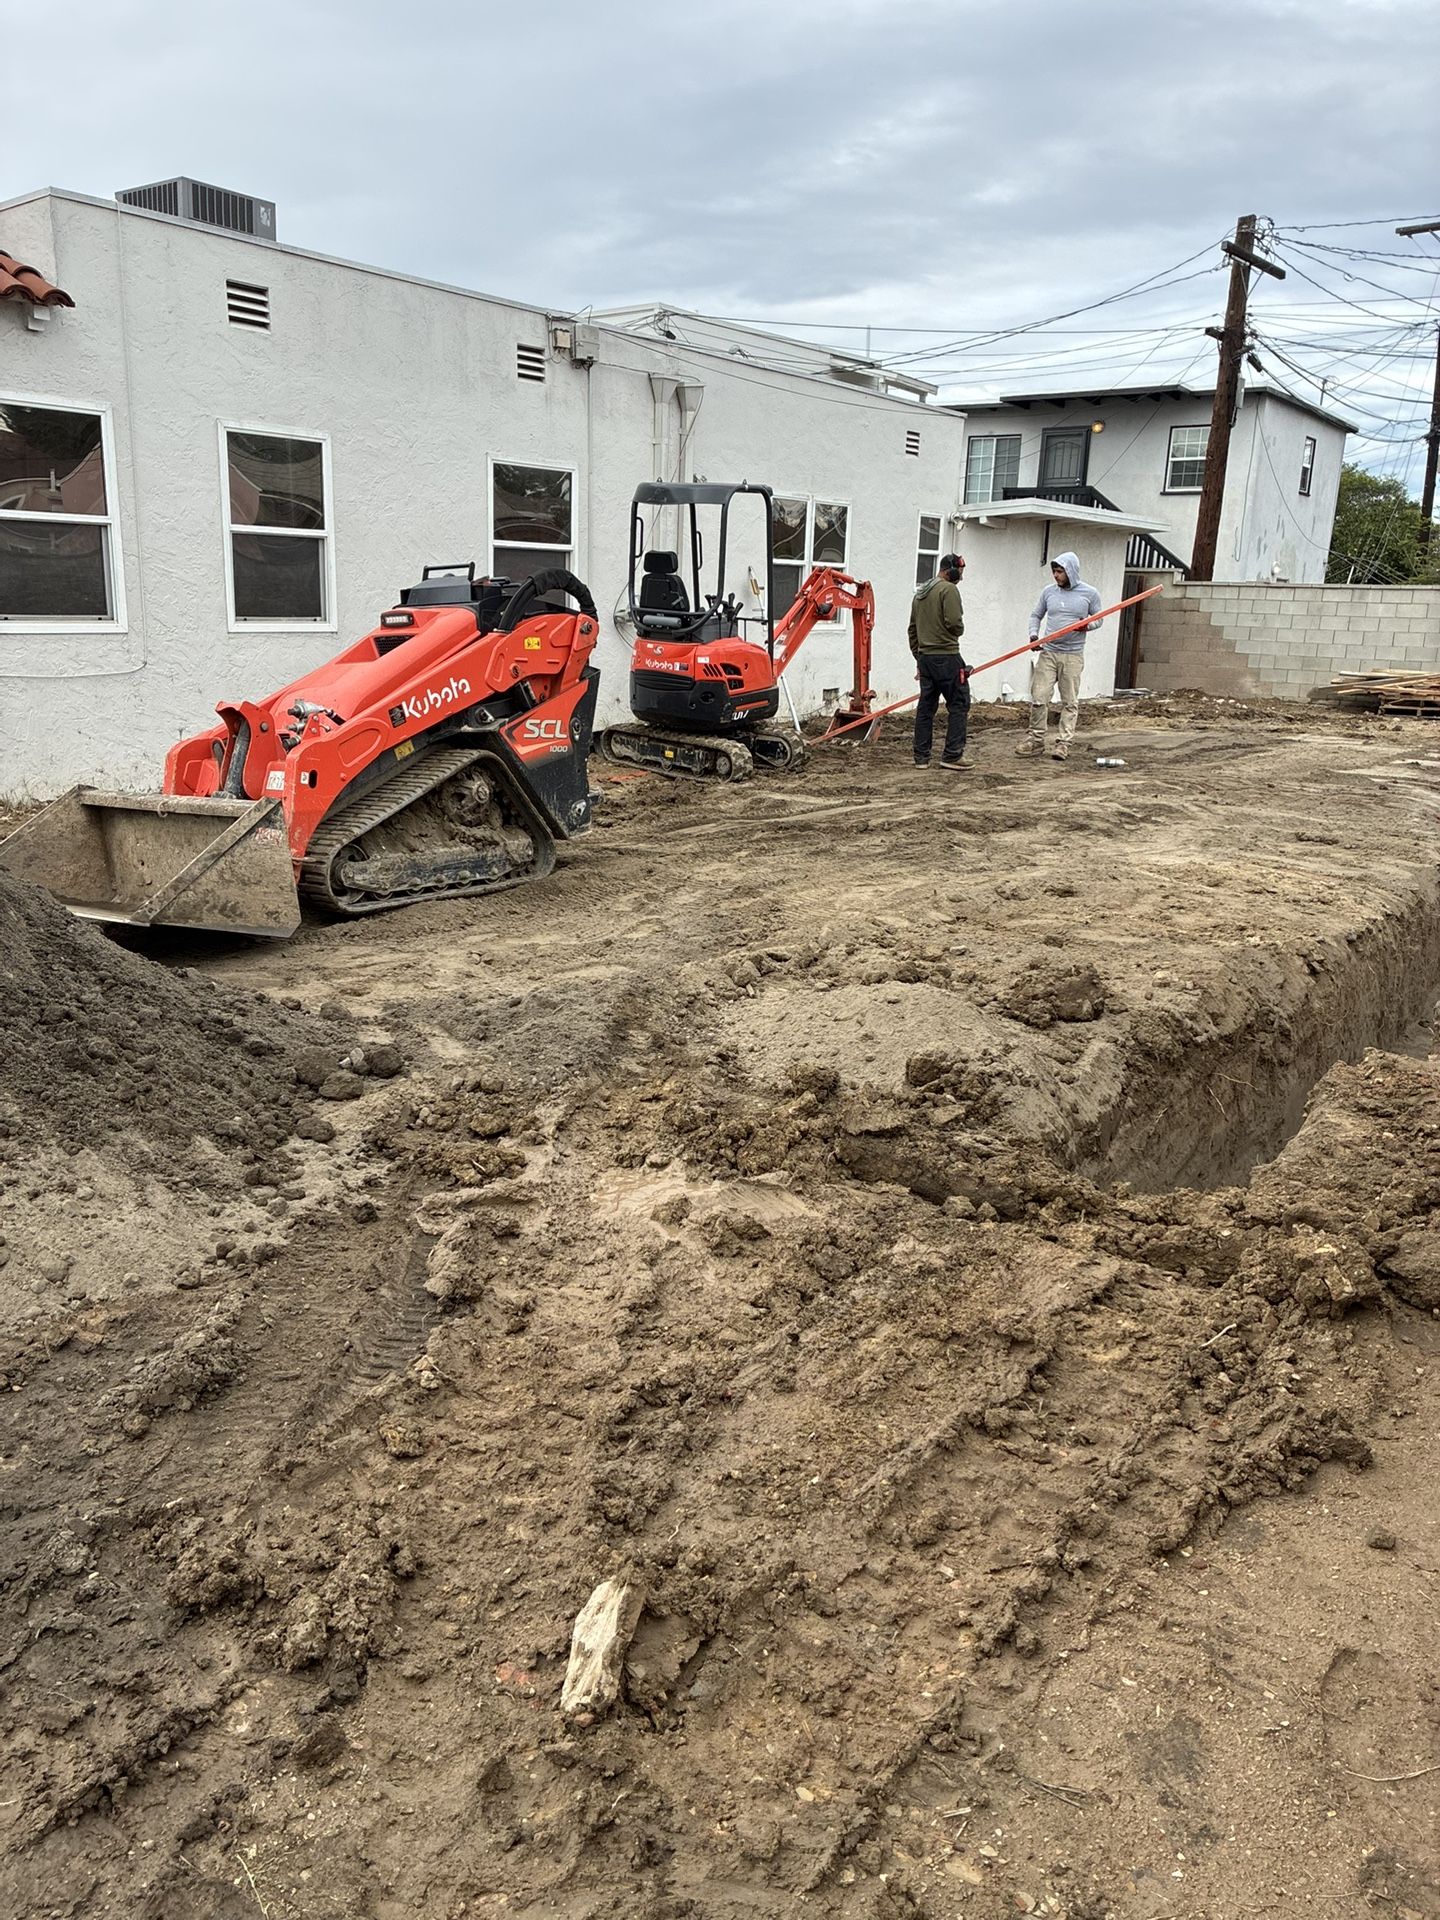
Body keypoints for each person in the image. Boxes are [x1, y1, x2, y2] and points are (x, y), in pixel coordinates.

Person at [1018, 551, 1102, 761]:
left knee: (1069, 701)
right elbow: (1036, 615)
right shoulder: (1049, 592)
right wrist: (1034, 635)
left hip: (1073, 656)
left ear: (1070, 571)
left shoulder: (1090, 593)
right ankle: (1036, 740)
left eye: (1059, 572)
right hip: (1049, 652)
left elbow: (1099, 618)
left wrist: (1087, 626)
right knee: (1039, 697)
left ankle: (1064, 743)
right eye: (1054, 571)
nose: (1055, 575)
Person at [908, 552, 972, 771]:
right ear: (950, 570)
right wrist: (959, 630)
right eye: (959, 572)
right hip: (947, 656)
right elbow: (954, 622)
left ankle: (921, 757)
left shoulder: (920, 593)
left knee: (926, 707)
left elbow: (912, 630)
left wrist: (919, 657)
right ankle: (952, 755)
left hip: (926, 658)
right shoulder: (948, 590)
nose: (961, 577)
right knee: (959, 703)